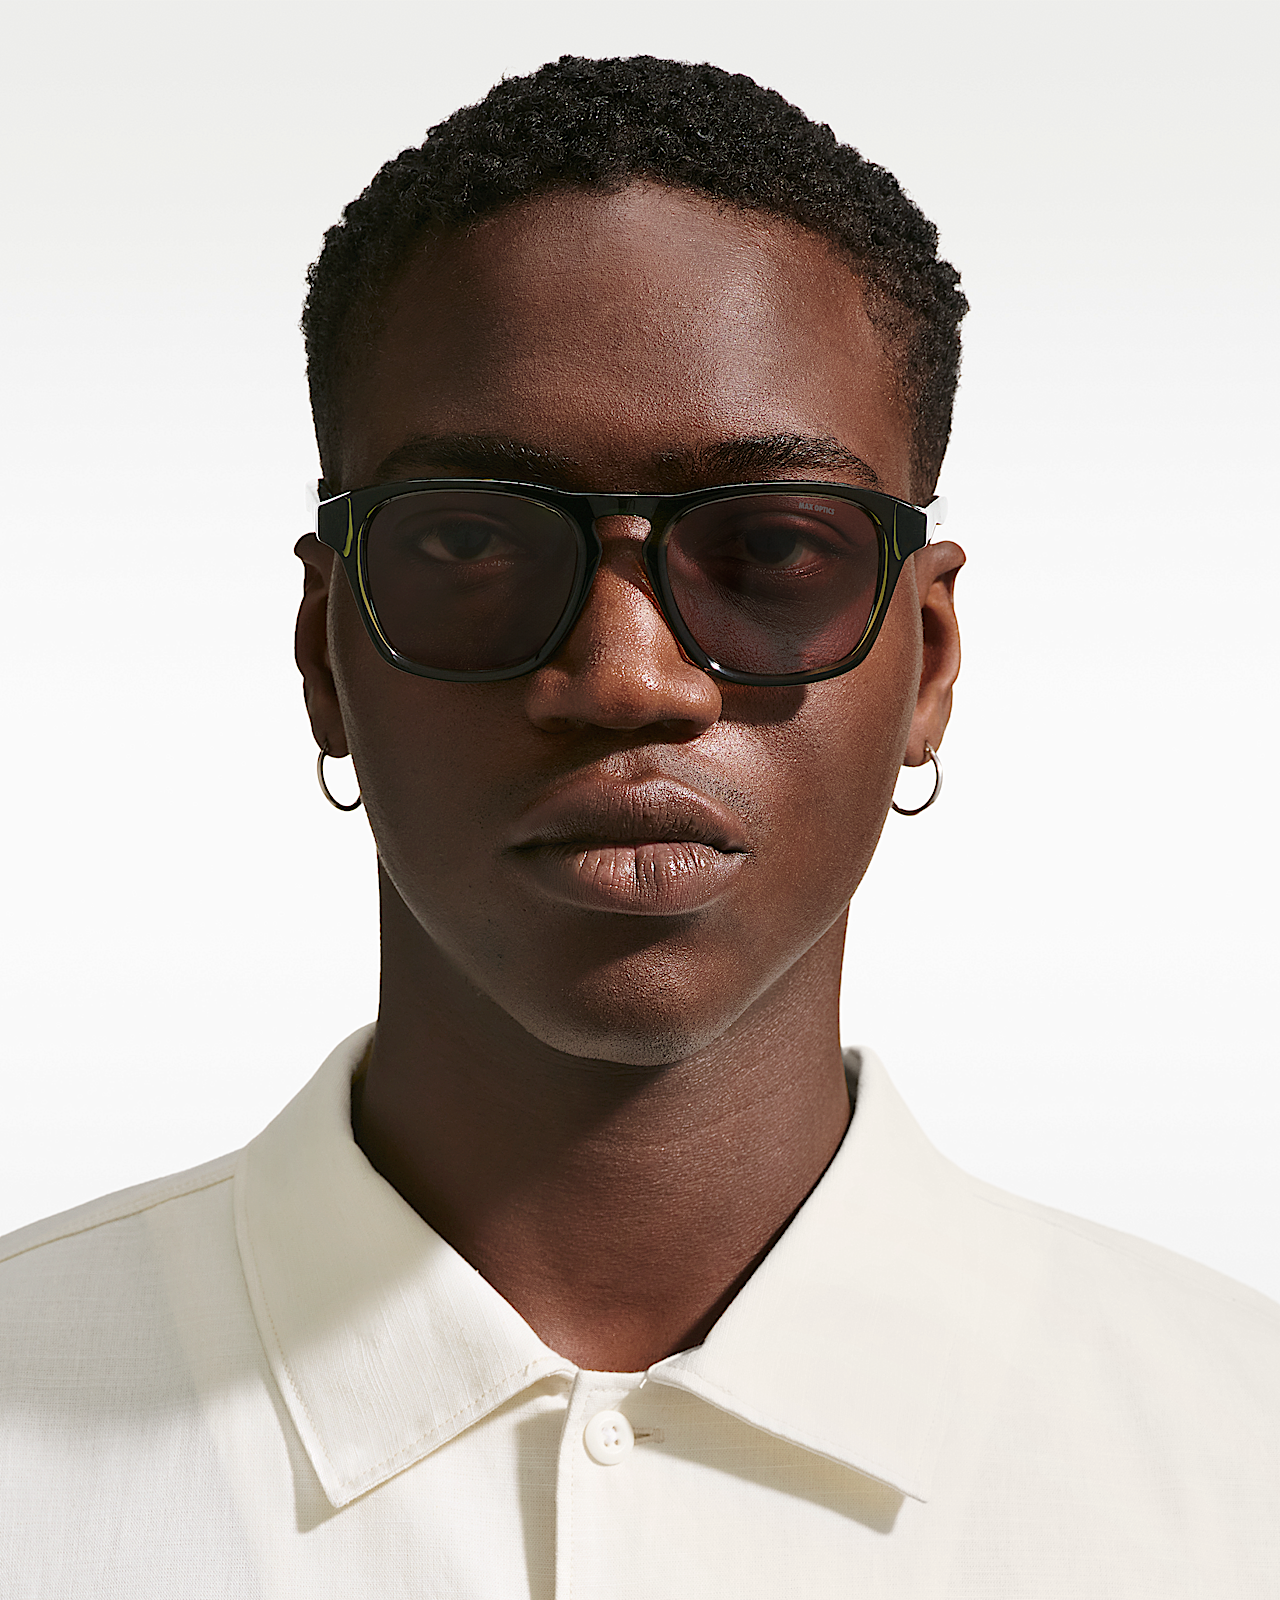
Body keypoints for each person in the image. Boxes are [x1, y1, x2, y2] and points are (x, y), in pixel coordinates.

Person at [1, 53, 1276, 1597]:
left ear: (929, 664)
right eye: (472, 541)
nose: (625, 677)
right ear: (326, 654)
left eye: (775, 547)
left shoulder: (1238, 1469)